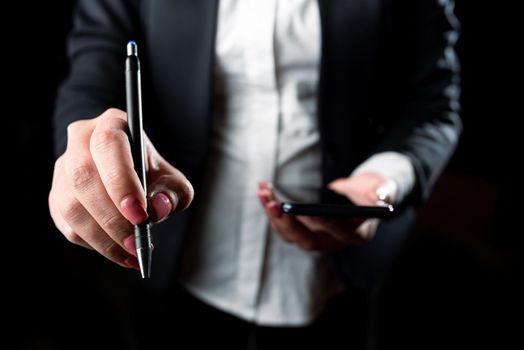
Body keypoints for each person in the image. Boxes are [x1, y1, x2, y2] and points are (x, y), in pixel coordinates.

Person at [49, 0, 461, 348]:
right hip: (173, 264)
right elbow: (93, 70)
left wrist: (379, 183)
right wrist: (91, 148)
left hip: (336, 281)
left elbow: (433, 108)